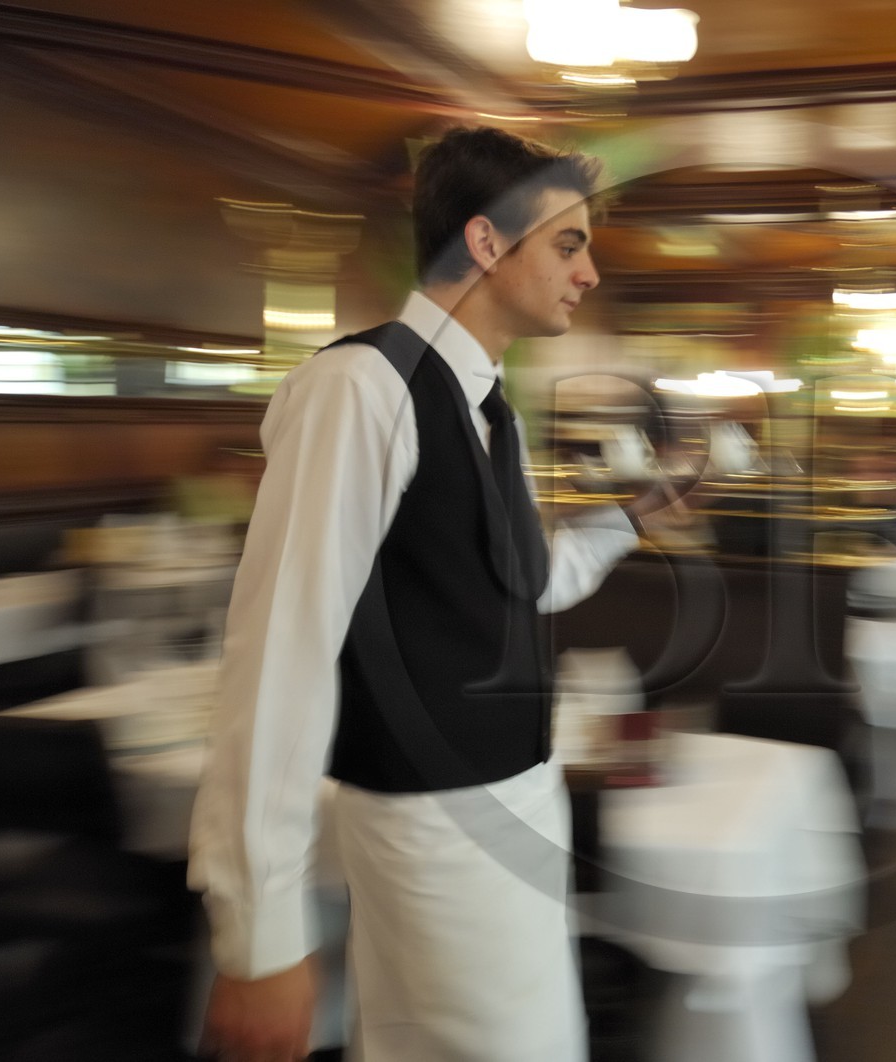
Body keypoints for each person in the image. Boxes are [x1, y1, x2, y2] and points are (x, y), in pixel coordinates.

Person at [189, 126, 671, 1061]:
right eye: (569, 244)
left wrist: (633, 517)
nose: (591, 273)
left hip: (521, 802)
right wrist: (261, 938)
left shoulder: (489, 409)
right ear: (487, 243)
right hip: (436, 822)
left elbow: (522, 586)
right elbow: (277, 660)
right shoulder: (360, 388)